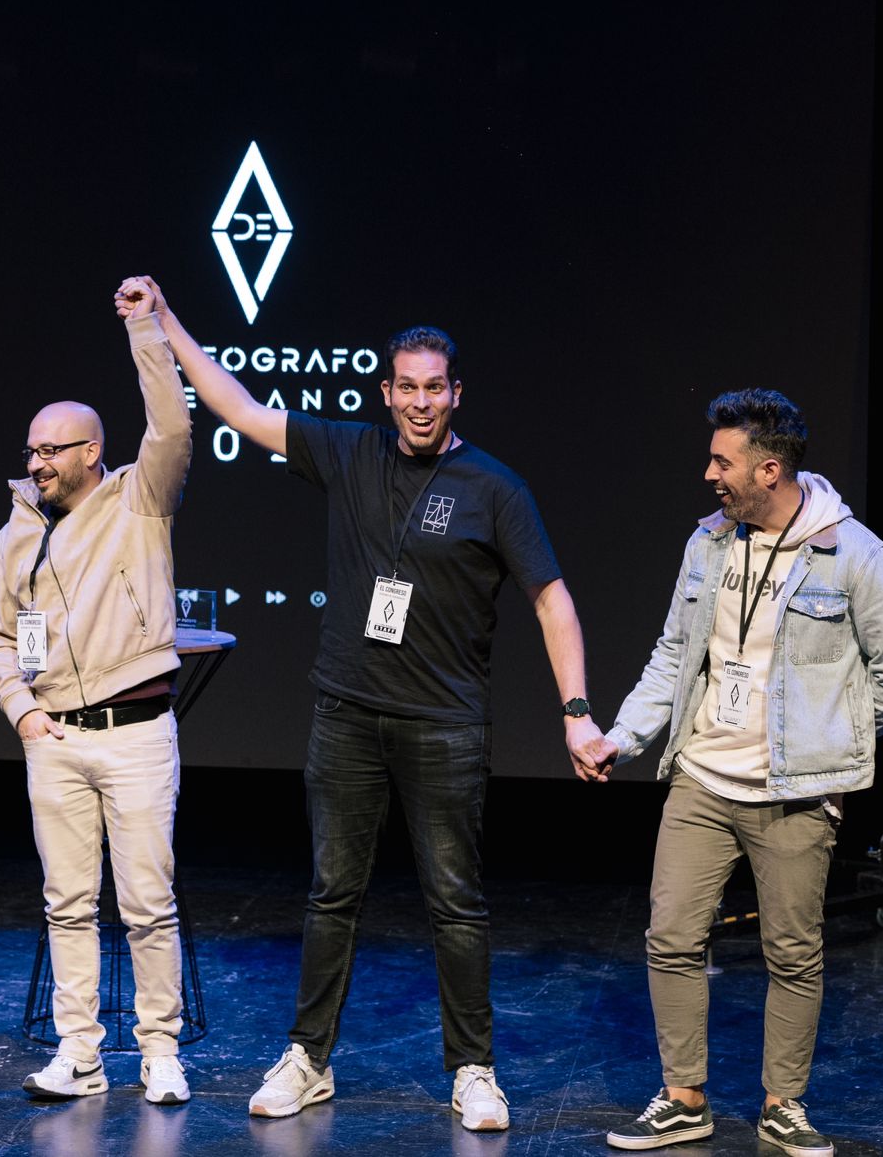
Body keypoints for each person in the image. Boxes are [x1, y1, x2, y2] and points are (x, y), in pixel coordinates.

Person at [113, 274, 595, 1134]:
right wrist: (164, 319)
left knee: (456, 900)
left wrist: (576, 707)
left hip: (444, 725)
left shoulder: (495, 488)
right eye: (404, 387)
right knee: (333, 892)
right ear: (386, 393)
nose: (419, 402)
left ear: (456, 394)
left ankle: (473, 1070)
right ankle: (310, 1058)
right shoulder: (349, 450)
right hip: (346, 714)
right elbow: (237, 406)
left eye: (433, 388)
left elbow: (552, 599)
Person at [565, 388, 883, 1154]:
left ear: (769, 469)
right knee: (670, 936)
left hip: (795, 791)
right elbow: (674, 655)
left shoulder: (854, 557)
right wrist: (623, 736)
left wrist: (834, 743)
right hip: (702, 776)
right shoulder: (708, 544)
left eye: (721, 461)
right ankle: (683, 1097)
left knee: (792, 953)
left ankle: (783, 1104)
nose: (708, 475)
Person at [0, 288, 193, 1105]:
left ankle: (161, 1052)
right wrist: (22, 712)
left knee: (147, 903)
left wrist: (145, 326)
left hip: (135, 732)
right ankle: (80, 1055)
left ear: (93, 450)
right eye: (31, 449)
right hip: (55, 740)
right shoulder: (16, 533)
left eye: (53, 449)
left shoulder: (141, 497)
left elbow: (172, 425)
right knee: (67, 906)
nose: (36, 462)